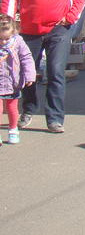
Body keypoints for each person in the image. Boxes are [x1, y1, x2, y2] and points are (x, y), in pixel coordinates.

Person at [0, 0, 85, 133]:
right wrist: (6, 27)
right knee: (26, 73)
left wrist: (71, 16)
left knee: (56, 72)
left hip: (59, 28)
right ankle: (29, 109)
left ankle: (55, 118)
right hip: (29, 30)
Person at [0, 14, 36, 145]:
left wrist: (29, 75)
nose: (3, 42)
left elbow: (26, 58)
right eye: (1, 39)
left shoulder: (18, 42)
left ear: (13, 33)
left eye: (6, 39)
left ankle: (13, 129)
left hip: (12, 82)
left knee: (12, 108)